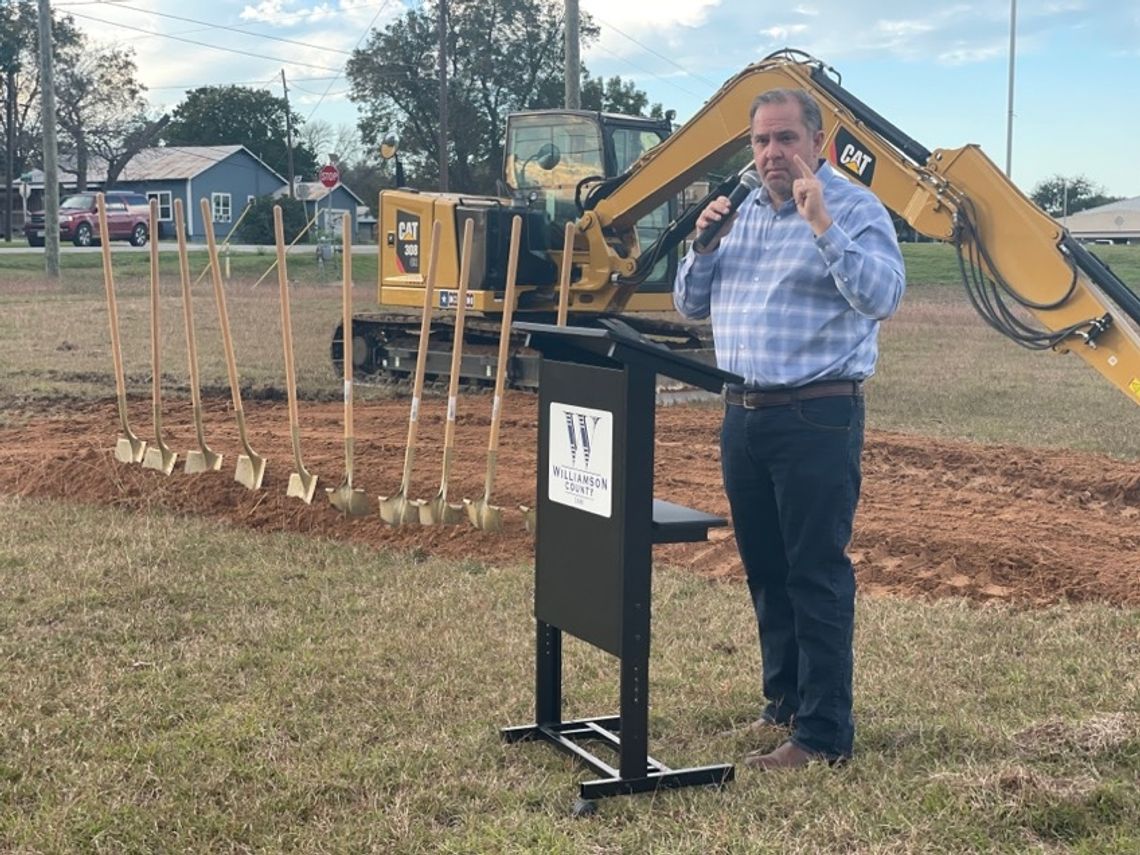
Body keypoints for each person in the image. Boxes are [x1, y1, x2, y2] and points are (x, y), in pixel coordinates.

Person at [673, 88, 905, 770]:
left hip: (815, 415)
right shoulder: (739, 212)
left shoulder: (856, 209)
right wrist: (703, 242)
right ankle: (785, 701)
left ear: (817, 142)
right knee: (767, 570)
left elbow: (882, 296)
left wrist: (824, 228)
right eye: (760, 142)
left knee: (815, 572)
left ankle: (824, 734)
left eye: (785, 139)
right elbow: (690, 303)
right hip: (743, 416)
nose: (772, 153)